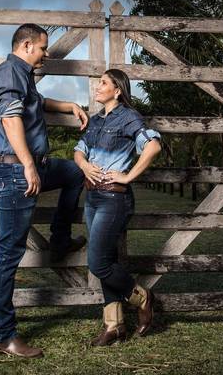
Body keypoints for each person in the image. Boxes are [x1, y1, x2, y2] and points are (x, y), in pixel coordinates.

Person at [0, 23, 89, 359]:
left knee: (75, 171)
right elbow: (11, 118)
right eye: (44, 48)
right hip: (16, 171)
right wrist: (29, 165)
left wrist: (69, 106)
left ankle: (59, 241)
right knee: (8, 256)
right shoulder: (10, 72)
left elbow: (37, 103)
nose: (46, 54)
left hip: (29, 167)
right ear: (27, 45)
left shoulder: (21, 75)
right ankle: (3, 336)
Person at [73, 69, 162, 346]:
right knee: (107, 261)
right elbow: (78, 151)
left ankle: (142, 298)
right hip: (92, 197)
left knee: (97, 263)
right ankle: (114, 326)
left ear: (118, 90)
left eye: (103, 83)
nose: (97, 87)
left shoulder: (129, 117)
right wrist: (85, 165)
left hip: (114, 199)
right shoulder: (96, 120)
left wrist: (127, 176)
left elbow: (153, 146)